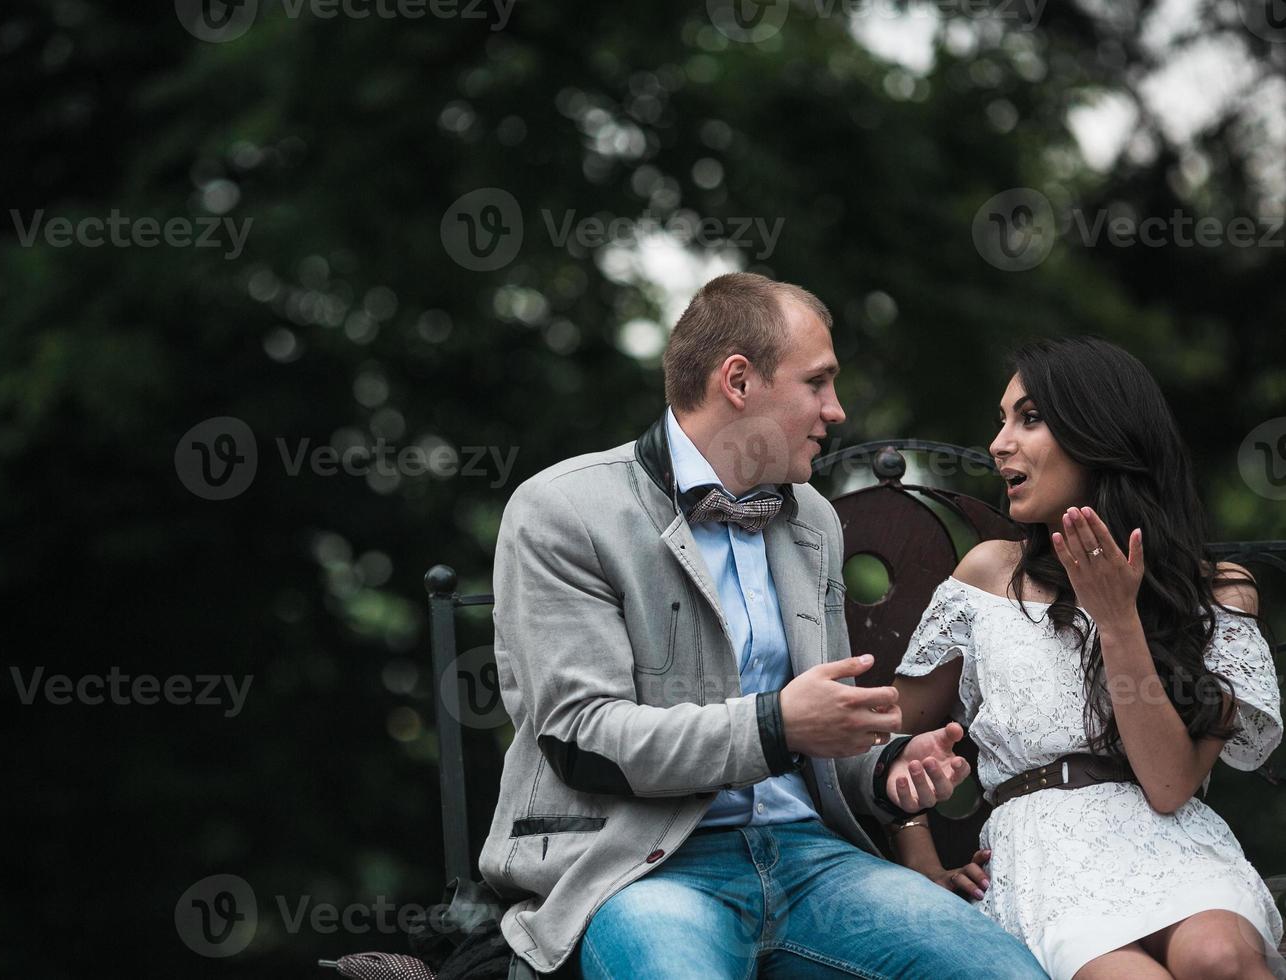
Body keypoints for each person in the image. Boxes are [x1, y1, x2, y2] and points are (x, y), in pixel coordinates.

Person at [479, 272, 1048, 978]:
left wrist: (887, 767)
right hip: (640, 870)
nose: (836, 411)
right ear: (739, 382)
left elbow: (818, 729)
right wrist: (776, 726)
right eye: (818, 383)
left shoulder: (810, 519)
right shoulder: (565, 511)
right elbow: (583, 739)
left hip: (814, 861)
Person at [891, 337, 1284, 979]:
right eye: (1001, 420)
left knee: (1222, 958)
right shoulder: (989, 575)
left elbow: (1166, 784)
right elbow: (898, 734)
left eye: (1030, 418)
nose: (999, 444)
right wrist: (920, 861)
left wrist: (1118, 618)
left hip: (1175, 844)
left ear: (1098, 434)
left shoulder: (1214, 590)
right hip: (1045, 857)